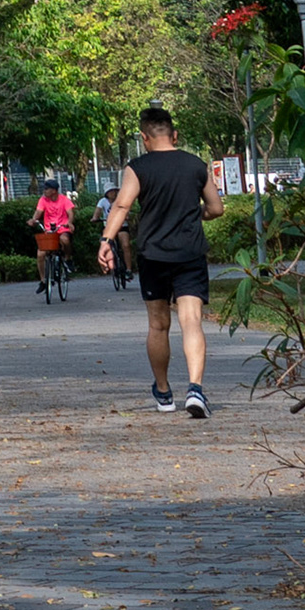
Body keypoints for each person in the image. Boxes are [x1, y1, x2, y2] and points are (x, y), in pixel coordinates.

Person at [100, 107, 224, 416]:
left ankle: (164, 393)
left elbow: (122, 205)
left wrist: (106, 241)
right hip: (190, 253)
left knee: (158, 325)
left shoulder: (138, 168)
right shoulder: (196, 165)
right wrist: (197, 214)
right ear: (175, 135)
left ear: (144, 138)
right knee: (191, 320)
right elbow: (216, 208)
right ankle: (195, 390)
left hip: (153, 254)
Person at [28, 178, 74, 295]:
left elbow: (70, 213)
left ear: (54, 190)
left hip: (62, 228)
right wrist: (33, 220)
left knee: (65, 239)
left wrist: (69, 223)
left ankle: (68, 259)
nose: (44, 191)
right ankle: (43, 280)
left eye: (47, 189)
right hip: (49, 231)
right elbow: (38, 212)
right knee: (40, 254)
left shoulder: (64, 200)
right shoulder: (43, 200)